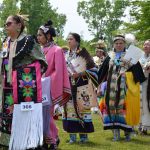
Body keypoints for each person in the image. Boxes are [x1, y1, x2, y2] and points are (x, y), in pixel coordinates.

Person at [0, 15, 47, 150]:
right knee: (7, 114)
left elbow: (43, 63)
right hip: (7, 88)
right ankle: (7, 141)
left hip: (23, 88)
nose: (6, 26)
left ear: (19, 25)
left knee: (23, 116)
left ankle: (24, 142)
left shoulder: (28, 41)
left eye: (9, 23)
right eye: (5, 24)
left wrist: (25, 75)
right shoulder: (5, 42)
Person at [98, 35, 145, 141]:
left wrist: (128, 71)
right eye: (117, 43)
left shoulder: (130, 57)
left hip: (125, 88)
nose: (119, 45)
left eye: (121, 43)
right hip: (111, 88)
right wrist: (99, 85)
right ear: (114, 44)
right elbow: (102, 73)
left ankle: (128, 133)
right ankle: (116, 134)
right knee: (112, 109)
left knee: (125, 110)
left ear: (124, 44)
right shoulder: (110, 56)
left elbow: (138, 74)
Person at [37, 20, 71, 150]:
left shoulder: (57, 50)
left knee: (47, 114)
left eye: (40, 35)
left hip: (49, 87)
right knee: (40, 114)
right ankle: (44, 140)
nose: (38, 37)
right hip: (38, 87)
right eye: (38, 35)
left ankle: (53, 139)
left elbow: (59, 71)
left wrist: (46, 79)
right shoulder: (39, 50)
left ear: (48, 36)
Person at [63, 33, 98, 144]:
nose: (69, 41)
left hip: (81, 85)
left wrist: (80, 73)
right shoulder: (65, 54)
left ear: (77, 41)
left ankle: (84, 137)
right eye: (68, 39)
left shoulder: (83, 53)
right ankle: (72, 137)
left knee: (82, 109)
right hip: (68, 85)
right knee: (69, 111)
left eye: (71, 39)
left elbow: (94, 69)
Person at [139, 39, 150, 135]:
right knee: (141, 105)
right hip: (140, 84)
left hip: (148, 84)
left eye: (148, 45)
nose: (145, 46)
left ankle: (145, 127)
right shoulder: (140, 56)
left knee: (146, 105)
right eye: (144, 44)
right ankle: (141, 125)